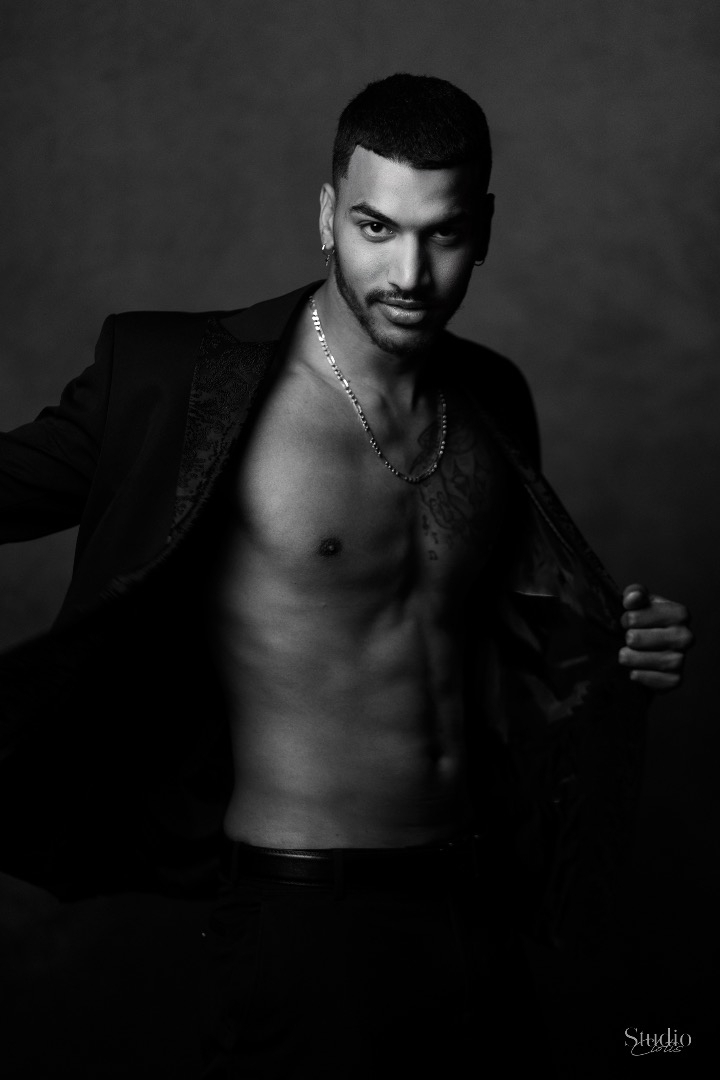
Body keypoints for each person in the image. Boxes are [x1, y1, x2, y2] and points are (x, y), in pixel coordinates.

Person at [0, 74, 692, 1077]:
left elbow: (496, 653)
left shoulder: (493, 398)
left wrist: (618, 651)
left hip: (476, 905)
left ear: (485, 229)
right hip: (304, 917)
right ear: (327, 215)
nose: (409, 272)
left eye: (443, 234)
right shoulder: (178, 378)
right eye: (376, 227)